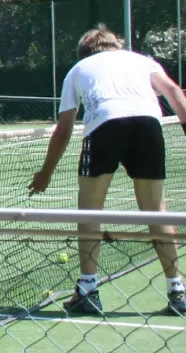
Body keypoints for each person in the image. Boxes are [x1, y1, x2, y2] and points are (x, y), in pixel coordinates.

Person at [29, 25, 186, 317]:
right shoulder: (143, 61)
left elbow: (63, 131)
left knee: (90, 210)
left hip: (105, 125)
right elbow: (175, 93)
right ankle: (178, 291)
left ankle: (88, 291)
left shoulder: (78, 69)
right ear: (115, 45)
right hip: (149, 125)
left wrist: (45, 173)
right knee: (156, 210)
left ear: (84, 51)